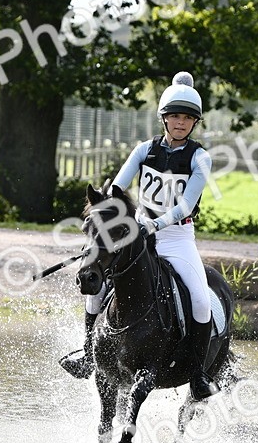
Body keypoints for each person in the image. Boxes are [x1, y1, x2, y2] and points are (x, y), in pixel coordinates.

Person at [60, 71, 219, 400]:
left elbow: (187, 204)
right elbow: (118, 188)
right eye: (174, 116)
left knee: (202, 302)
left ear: (194, 123)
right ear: (164, 118)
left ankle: (199, 375)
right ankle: (90, 355)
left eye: (187, 118)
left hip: (176, 238)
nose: (180, 123)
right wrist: (110, 216)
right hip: (138, 235)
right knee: (97, 288)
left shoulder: (200, 158)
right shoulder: (144, 150)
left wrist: (154, 224)